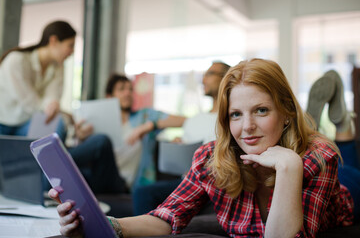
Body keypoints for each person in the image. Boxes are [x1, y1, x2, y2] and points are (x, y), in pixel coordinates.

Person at [50, 58, 355, 237]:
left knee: (349, 162)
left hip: (343, 205)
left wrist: (289, 167)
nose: (246, 127)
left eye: (261, 110)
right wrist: (107, 226)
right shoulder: (212, 156)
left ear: (286, 111)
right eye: (236, 114)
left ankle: (341, 126)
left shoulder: (318, 157)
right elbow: (168, 216)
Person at [133, 61, 230, 215]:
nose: (203, 79)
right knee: (142, 192)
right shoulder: (194, 120)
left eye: (210, 74)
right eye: (203, 75)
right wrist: (179, 146)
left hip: (216, 181)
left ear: (226, 78)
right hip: (187, 180)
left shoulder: (231, 118)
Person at [104, 74, 186, 189]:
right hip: (105, 179)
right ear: (109, 97)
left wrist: (151, 125)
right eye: (121, 89)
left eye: (130, 89)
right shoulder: (104, 124)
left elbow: (184, 121)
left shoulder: (144, 116)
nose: (127, 93)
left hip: (132, 186)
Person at [0, 20, 76, 136]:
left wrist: (54, 106)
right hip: (3, 122)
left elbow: (52, 99)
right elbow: (29, 101)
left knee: (58, 123)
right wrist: (57, 110)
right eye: (70, 45)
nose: (72, 51)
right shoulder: (17, 60)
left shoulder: (58, 67)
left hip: (26, 124)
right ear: (53, 41)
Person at [307, 70, 360, 220]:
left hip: (337, 183)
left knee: (346, 170)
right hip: (341, 184)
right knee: (347, 171)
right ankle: (313, 131)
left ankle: (339, 124)